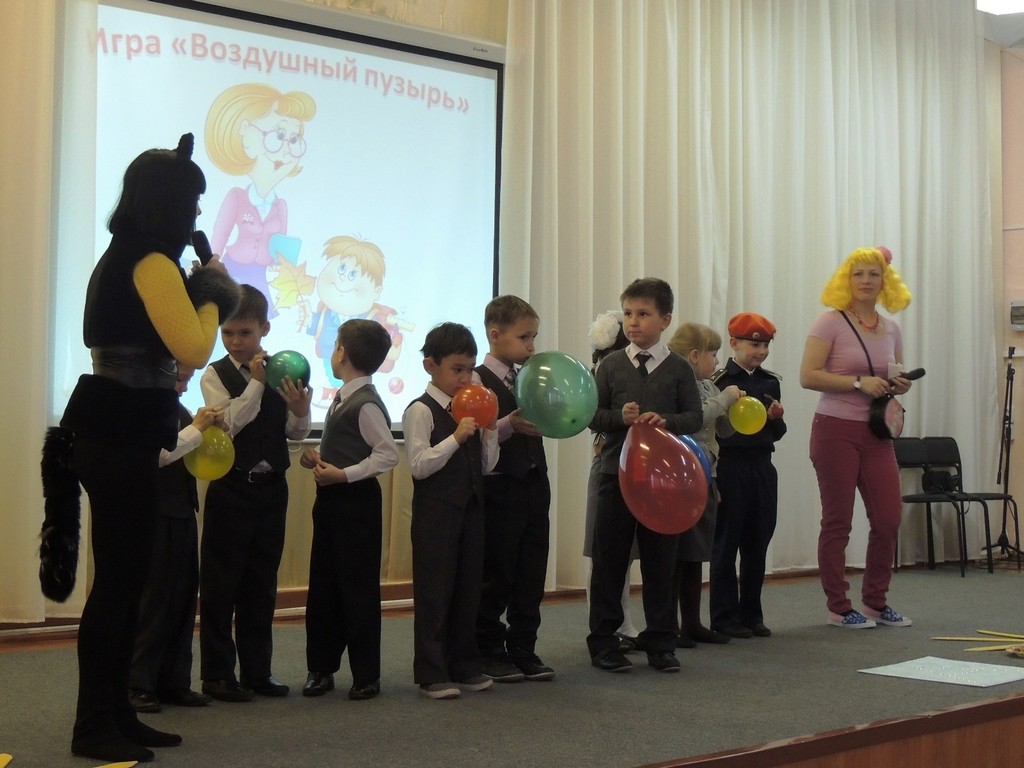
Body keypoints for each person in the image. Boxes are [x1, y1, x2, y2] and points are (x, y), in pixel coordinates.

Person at [43, 133, 239, 763]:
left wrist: (200, 291)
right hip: (119, 431)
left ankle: (118, 712)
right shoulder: (150, 263)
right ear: (169, 204)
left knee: (128, 583)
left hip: (115, 427)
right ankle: (93, 724)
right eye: (194, 201)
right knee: (119, 586)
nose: (199, 213)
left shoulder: (125, 257)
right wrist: (214, 293)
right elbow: (194, 349)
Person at [198, 284, 312, 701]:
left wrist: (300, 410)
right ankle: (217, 675)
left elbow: (294, 434)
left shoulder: (284, 367)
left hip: (271, 489)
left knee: (261, 584)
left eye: (244, 332)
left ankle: (258, 671)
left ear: (264, 328)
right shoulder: (215, 374)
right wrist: (257, 385)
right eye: (228, 333)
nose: (235, 341)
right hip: (232, 487)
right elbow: (228, 424)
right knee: (220, 584)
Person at [587, 278, 703, 674]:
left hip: (662, 484)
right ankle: (604, 642)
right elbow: (592, 416)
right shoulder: (611, 365)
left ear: (665, 320)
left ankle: (661, 643)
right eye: (628, 314)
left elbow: (694, 417)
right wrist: (618, 417)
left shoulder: (680, 368)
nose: (633, 322)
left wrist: (666, 421)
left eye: (643, 314)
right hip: (615, 475)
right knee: (609, 561)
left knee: (660, 563)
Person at [799, 246, 914, 629]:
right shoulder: (829, 323)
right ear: (846, 280)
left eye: (873, 274)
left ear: (885, 282)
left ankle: (875, 602)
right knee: (838, 521)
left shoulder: (892, 329)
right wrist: (857, 382)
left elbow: (895, 376)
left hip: (878, 433)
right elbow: (808, 376)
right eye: (858, 273)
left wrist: (899, 384)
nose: (866, 281)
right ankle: (839, 606)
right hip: (835, 430)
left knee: (888, 518)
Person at [298, 319, 399, 700]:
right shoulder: (344, 397)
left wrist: (343, 475)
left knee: (357, 589)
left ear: (341, 353)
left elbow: (387, 454)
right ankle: (320, 668)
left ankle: (366, 674)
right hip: (331, 503)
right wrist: (318, 459)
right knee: (324, 586)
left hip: (356, 505)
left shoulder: (365, 403)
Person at [404, 322, 499, 699]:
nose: (465, 378)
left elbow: (487, 465)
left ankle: (464, 664)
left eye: (470, 370)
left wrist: (489, 431)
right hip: (436, 513)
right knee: (435, 591)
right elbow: (418, 465)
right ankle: (431, 672)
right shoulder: (420, 410)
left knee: (468, 588)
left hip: (471, 509)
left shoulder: (471, 408)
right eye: (457, 369)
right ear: (430, 365)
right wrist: (456, 437)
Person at [129, 365, 224, 713]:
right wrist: (197, 428)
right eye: (179, 378)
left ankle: (174, 681)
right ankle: (138, 683)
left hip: (182, 510)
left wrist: (209, 427)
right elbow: (158, 455)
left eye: (187, 379)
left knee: (182, 599)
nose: (184, 387)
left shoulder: (176, 406)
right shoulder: (143, 406)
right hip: (156, 513)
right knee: (154, 600)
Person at [473, 296, 553, 683]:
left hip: (534, 483)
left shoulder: (530, 378)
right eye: (524, 337)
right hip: (499, 487)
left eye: (534, 337)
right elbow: (476, 436)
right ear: (495, 335)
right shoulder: (476, 381)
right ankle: (488, 648)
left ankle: (523, 646)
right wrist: (508, 424)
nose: (532, 346)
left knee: (531, 570)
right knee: (497, 571)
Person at [667, 323, 743, 647]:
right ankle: (669, 625)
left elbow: (721, 431)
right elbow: (697, 417)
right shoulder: (678, 384)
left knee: (696, 552)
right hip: (681, 478)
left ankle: (692, 622)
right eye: (713, 354)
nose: (716, 360)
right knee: (676, 555)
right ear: (694, 356)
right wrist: (725, 399)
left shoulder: (710, 386)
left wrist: (733, 411)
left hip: (707, 476)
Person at [710, 312, 786, 639]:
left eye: (766, 345)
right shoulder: (719, 381)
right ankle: (723, 616)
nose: (762, 351)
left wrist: (777, 418)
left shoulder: (770, 382)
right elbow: (711, 430)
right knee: (726, 542)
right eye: (755, 345)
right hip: (730, 466)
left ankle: (752, 614)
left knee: (758, 542)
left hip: (762, 465)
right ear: (734, 343)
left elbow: (776, 432)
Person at [582, 309, 639, 652]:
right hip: (607, 466)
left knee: (625, 553)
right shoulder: (602, 374)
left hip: (634, 467)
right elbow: (594, 418)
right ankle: (606, 623)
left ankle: (624, 620)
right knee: (602, 551)